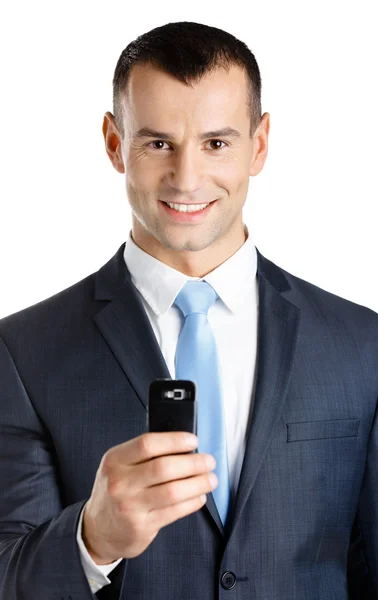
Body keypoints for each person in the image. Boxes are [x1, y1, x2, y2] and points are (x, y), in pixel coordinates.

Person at [0, 20, 377, 600]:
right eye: (157, 143)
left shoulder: (360, 342)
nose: (186, 178)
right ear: (112, 143)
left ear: (260, 143)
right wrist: (90, 539)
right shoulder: (23, 352)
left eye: (216, 143)